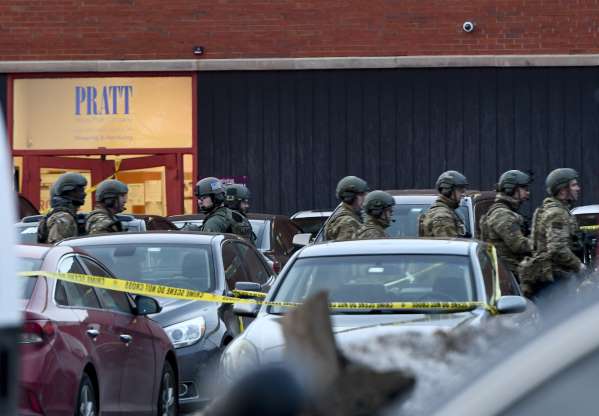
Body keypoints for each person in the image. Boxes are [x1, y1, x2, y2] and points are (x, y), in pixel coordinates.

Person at [520, 168, 584, 300]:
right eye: (573, 185)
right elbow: (557, 249)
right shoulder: (556, 213)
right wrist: (579, 266)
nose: (578, 188)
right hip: (556, 282)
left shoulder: (558, 210)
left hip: (555, 279)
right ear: (562, 190)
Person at [480, 170, 533, 279]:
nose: (528, 193)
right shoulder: (502, 214)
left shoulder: (506, 211)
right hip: (508, 274)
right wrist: (541, 244)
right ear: (512, 189)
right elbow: (519, 245)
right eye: (524, 189)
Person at [37, 172, 87, 244]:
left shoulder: (65, 216)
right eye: (81, 190)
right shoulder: (63, 218)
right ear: (69, 191)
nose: (84, 194)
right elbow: (57, 248)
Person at [419, 170, 468, 238]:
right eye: (460, 190)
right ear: (449, 190)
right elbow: (449, 246)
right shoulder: (443, 216)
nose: (463, 194)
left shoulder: (447, 211)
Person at [324, 176, 369, 241]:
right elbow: (348, 250)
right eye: (362, 194)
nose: (365, 197)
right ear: (350, 196)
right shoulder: (347, 223)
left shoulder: (353, 216)